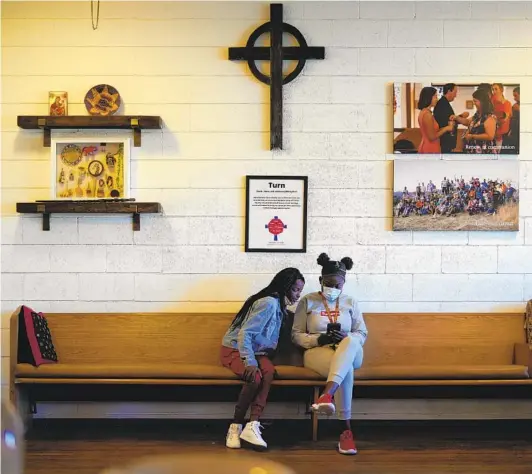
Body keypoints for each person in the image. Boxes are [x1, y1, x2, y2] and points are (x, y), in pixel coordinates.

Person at [220, 268, 305, 450]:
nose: (298, 295)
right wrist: (249, 362)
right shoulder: (268, 303)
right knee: (255, 377)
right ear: (285, 286)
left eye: (300, 291)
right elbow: (245, 333)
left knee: (268, 372)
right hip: (235, 349)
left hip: (257, 351)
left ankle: (253, 424)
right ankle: (235, 426)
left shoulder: (280, 306)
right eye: (296, 290)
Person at [292, 253, 368, 455]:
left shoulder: (351, 302)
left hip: (350, 350)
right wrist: (319, 339)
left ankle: (327, 395)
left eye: (338, 285)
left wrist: (345, 336)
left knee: (351, 341)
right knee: (345, 369)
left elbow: (362, 333)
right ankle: (346, 433)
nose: (333, 289)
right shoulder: (307, 301)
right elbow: (296, 335)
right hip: (318, 352)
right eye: (328, 283)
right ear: (320, 280)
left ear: (344, 283)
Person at [433, 83, 469, 153]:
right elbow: (448, 121)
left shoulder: (444, 103)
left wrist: (459, 116)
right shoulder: (442, 104)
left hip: (446, 141)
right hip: (444, 141)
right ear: (449, 91)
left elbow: (450, 118)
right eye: (455, 92)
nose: (455, 95)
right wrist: (461, 116)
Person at [417, 86, 454, 154]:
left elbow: (434, 131)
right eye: (435, 96)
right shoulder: (427, 115)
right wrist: (446, 129)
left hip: (429, 145)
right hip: (430, 147)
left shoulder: (425, 112)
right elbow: (432, 137)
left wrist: (447, 127)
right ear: (429, 97)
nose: (437, 99)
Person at [463, 89, 497, 154]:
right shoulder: (477, 115)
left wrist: (472, 136)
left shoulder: (490, 117)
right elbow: (468, 122)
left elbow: (490, 136)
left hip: (484, 150)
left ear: (482, 102)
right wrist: (457, 118)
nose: (474, 103)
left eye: (475, 101)